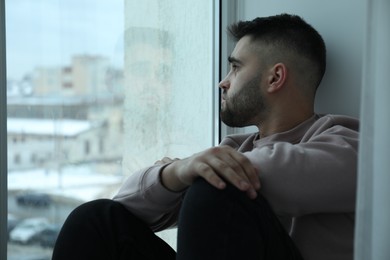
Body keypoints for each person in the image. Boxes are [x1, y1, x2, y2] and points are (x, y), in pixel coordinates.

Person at [52, 13, 359, 260]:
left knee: (217, 187)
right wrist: (179, 171)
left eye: (236, 68)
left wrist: (197, 169)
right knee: (95, 219)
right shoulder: (234, 149)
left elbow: (275, 173)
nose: (223, 83)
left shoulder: (350, 145)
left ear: (275, 77)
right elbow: (127, 204)